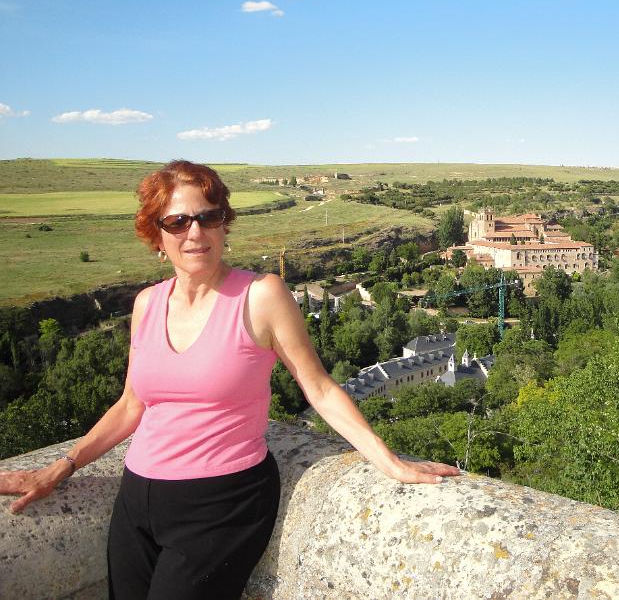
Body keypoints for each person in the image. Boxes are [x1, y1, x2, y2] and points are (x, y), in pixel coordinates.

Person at [0, 160, 459, 599]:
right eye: (177, 222)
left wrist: (390, 462)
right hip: (136, 499)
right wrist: (61, 466)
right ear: (157, 236)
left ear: (224, 225)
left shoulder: (261, 295)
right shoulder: (147, 304)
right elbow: (131, 405)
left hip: (222, 504)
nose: (194, 232)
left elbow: (317, 386)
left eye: (208, 217)